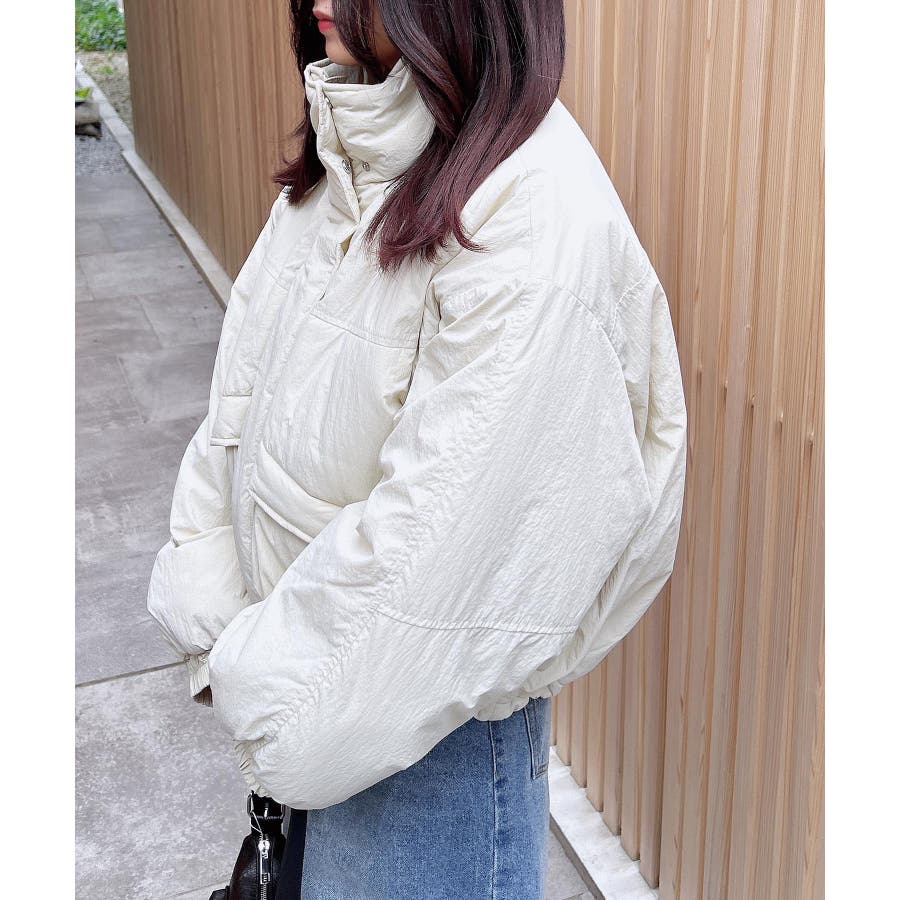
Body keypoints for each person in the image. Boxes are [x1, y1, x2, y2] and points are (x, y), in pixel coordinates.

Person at [146, 0, 688, 896]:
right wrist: (222, 623)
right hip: (322, 693)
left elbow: (431, 552)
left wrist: (256, 681)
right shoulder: (353, 149)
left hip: (428, 752)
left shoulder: (530, 219)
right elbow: (237, 402)